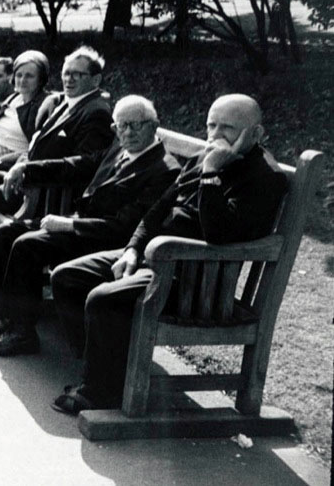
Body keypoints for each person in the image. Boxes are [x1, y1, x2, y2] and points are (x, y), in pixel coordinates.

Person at [49, 94, 287, 414]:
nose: (215, 135)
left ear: (256, 134)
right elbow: (156, 211)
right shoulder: (203, 157)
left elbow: (219, 236)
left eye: (228, 128)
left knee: (102, 298)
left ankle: (100, 392)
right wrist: (132, 250)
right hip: (156, 259)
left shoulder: (264, 177)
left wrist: (211, 173)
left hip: (195, 283)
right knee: (67, 277)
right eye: (211, 125)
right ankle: (109, 370)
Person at [0, 95, 181, 357]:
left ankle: (22, 334)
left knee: (27, 245)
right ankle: (9, 318)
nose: (128, 132)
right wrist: (26, 169)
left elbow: (125, 227)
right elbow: (78, 164)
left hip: (106, 240)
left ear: (154, 126)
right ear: (114, 129)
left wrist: (69, 225)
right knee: (6, 233)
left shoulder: (164, 169)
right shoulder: (119, 148)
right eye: (122, 125)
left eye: (136, 125)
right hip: (81, 224)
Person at [0, 46, 114, 289]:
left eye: (78, 74)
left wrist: (27, 169)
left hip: (48, 194)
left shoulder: (95, 112)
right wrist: (23, 165)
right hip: (29, 179)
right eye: (66, 73)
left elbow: (86, 165)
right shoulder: (69, 103)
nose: (69, 79)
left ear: (96, 79)